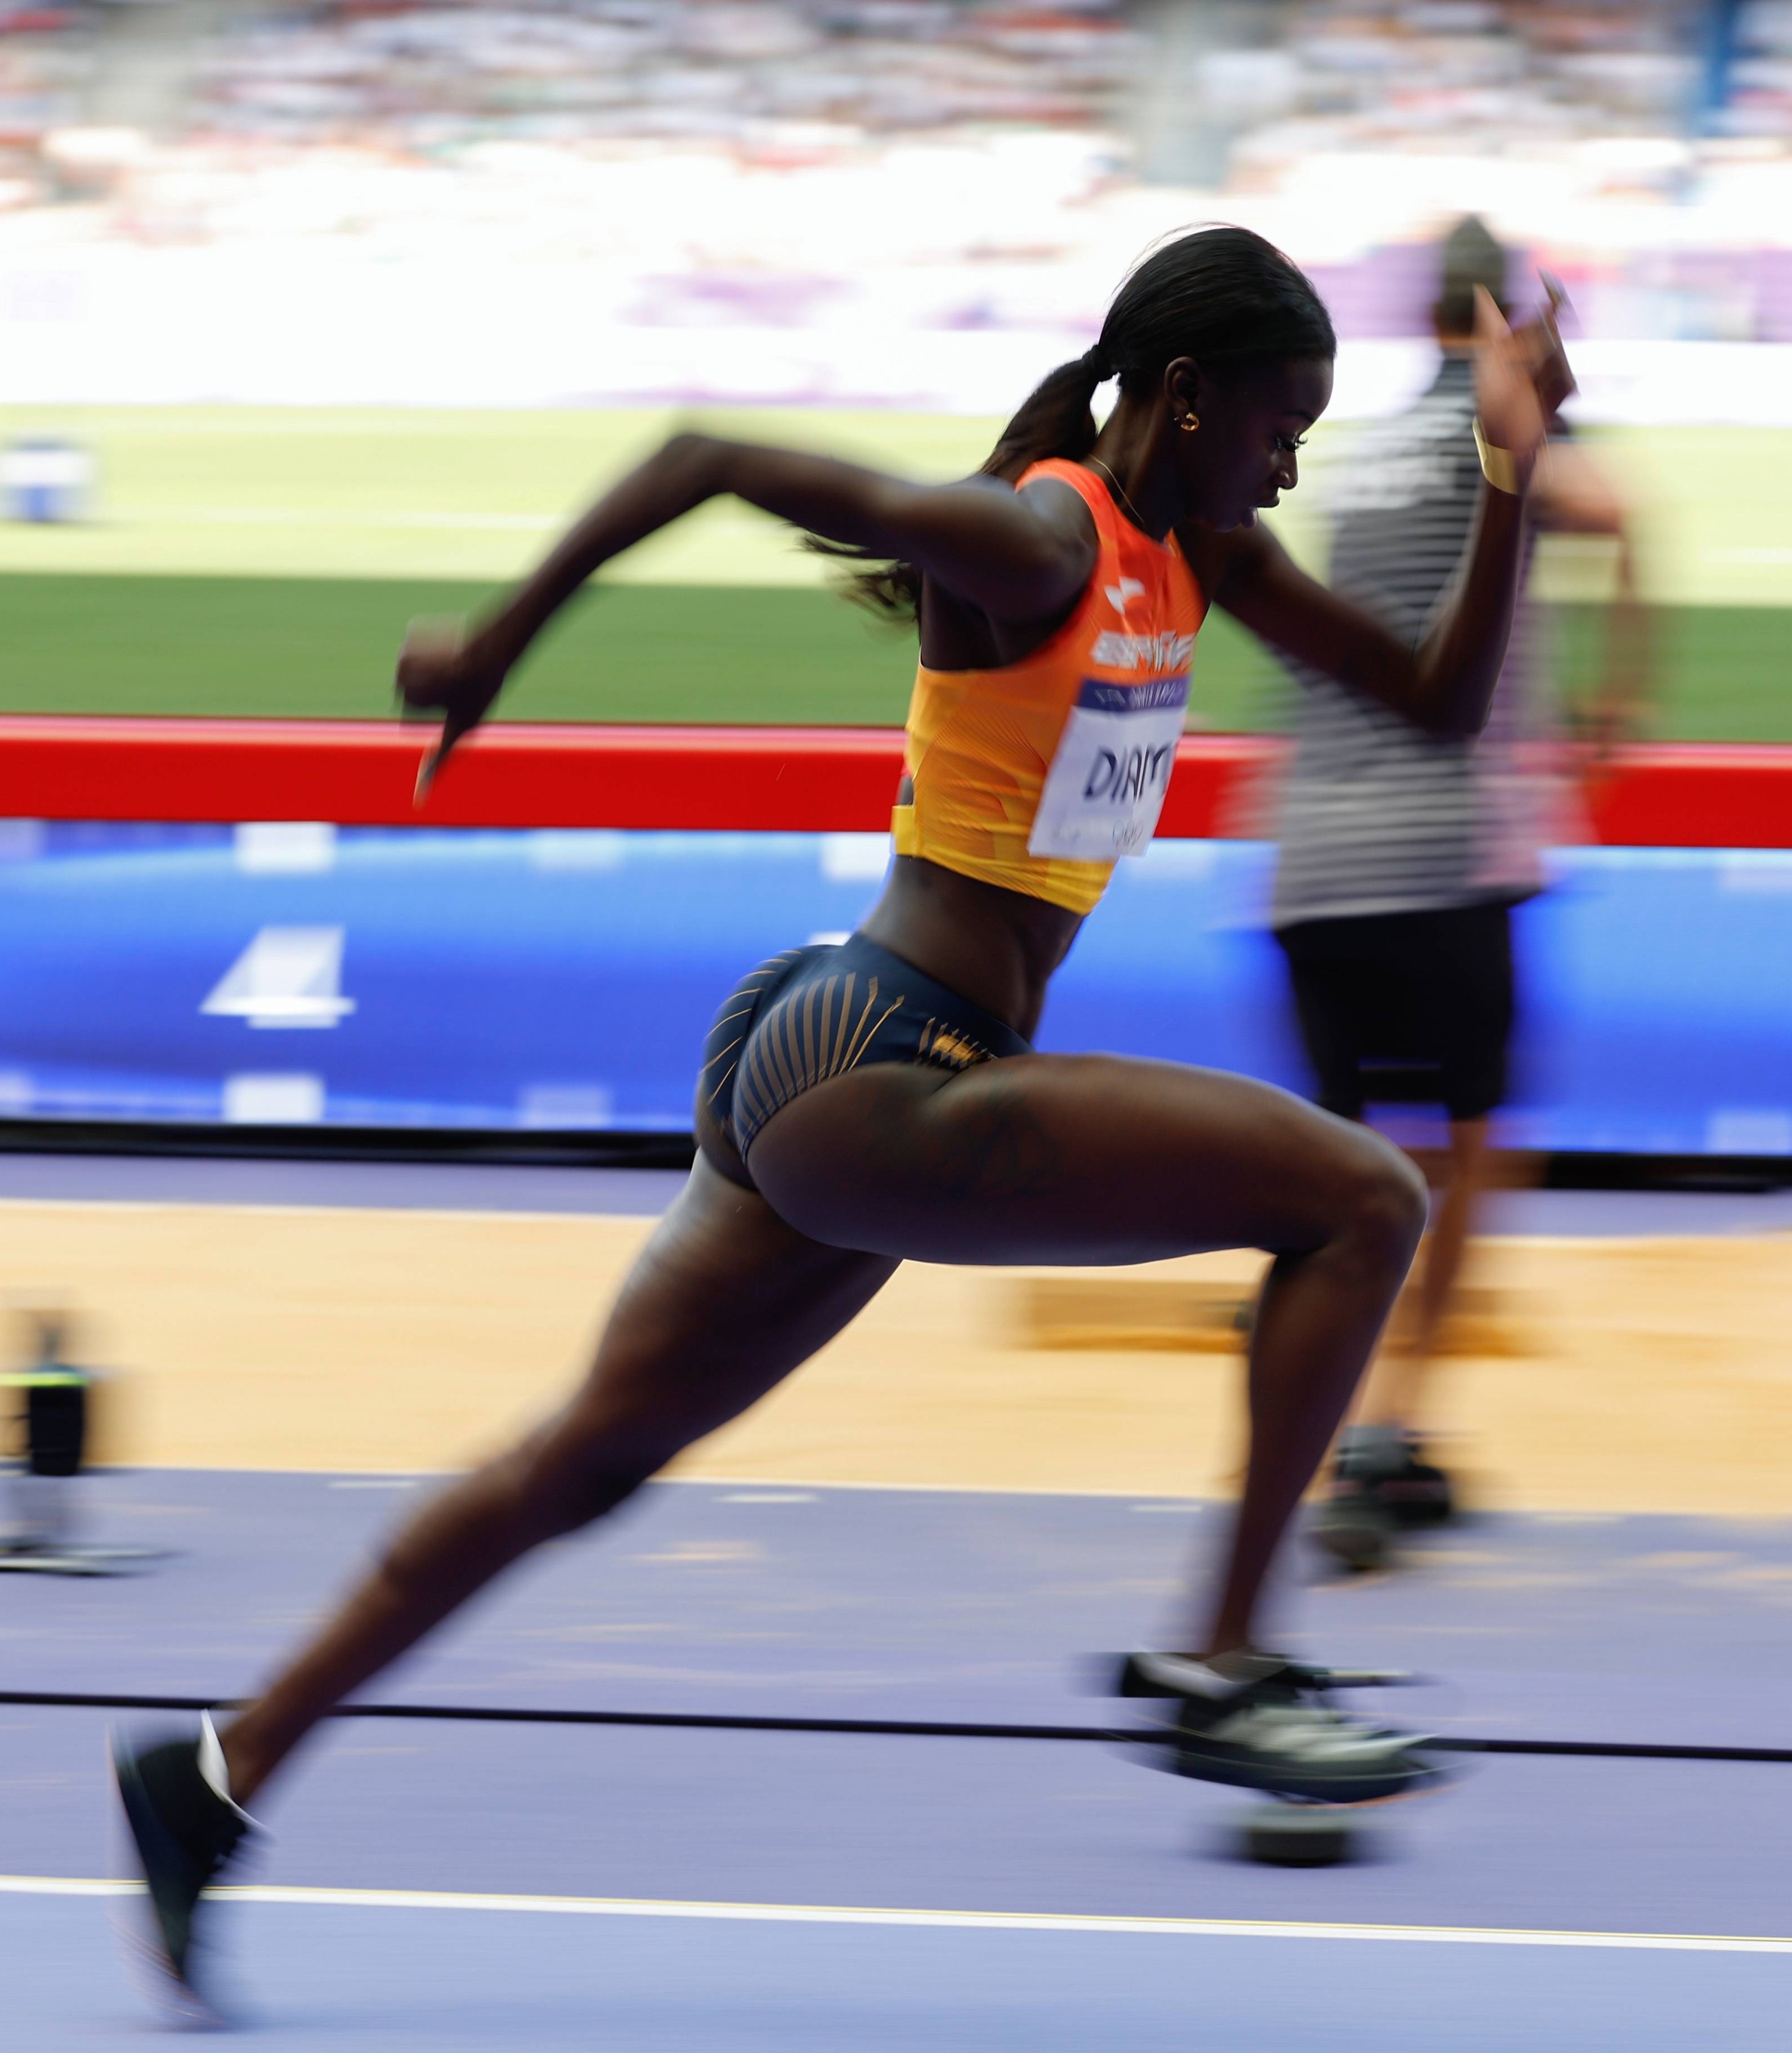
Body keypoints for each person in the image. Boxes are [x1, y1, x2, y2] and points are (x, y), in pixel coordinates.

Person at [111, 224, 1572, 2016]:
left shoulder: (1200, 552)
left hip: (845, 1065)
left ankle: (216, 1772)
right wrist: (495, 643)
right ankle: (1219, 1656)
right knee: (1359, 1200)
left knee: (578, 1465)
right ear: (1185, 398)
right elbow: (705, 456)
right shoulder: (1038, 540)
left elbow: (1437, 712)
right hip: (886, 1063)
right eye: (1280, 426)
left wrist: (1509, 469)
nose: (1288, 465)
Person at [1263, 217, 1644, 1571]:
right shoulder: (1502, 434)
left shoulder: (1359, 456)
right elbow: (1619, 517)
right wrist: (1614, 694)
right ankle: (1395, 1421)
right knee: (1477, 1144)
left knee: (1346, 1166)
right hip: (1445, 851)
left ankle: (1317, 1439)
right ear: (1495, 326)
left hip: (1311, 861)